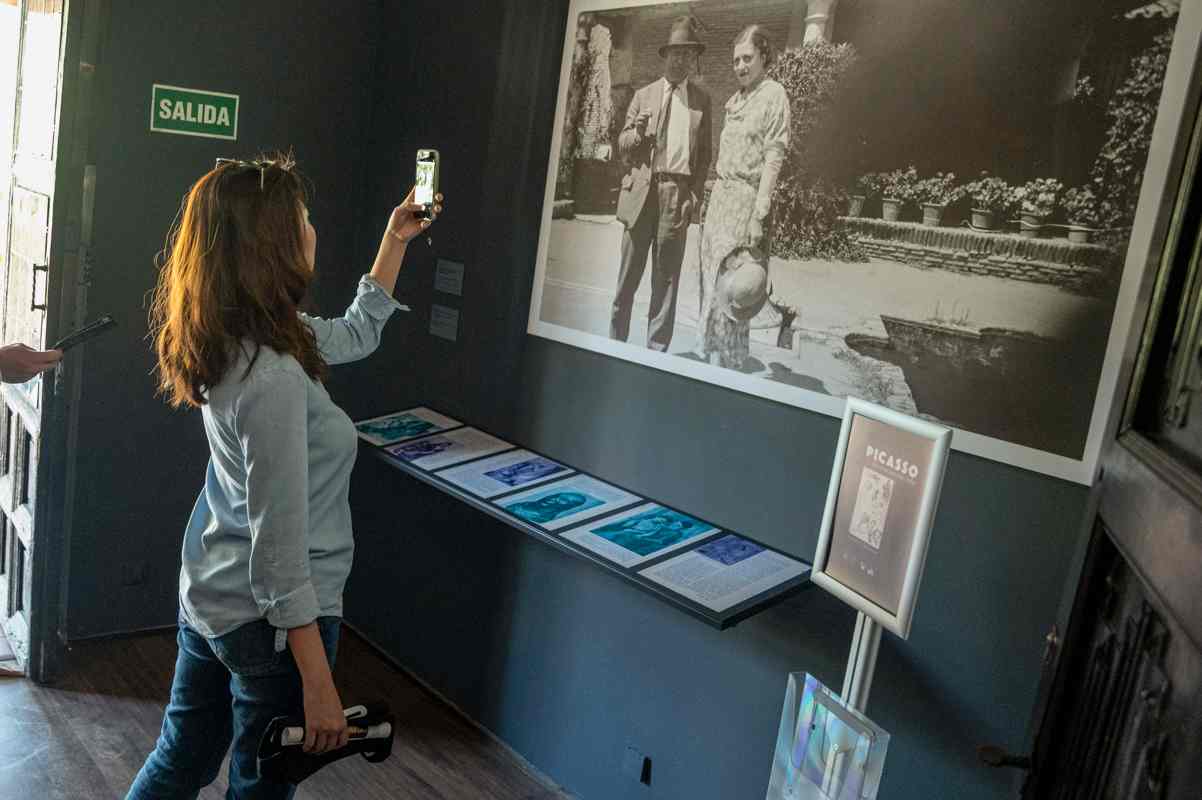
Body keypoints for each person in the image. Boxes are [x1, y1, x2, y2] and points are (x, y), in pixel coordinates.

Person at [126, 153, 442, 799]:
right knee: (259, 788)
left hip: (213, 595)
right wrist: (320, 683)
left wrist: (393, 240)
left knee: (179, 763)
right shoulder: (270, 375)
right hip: (269, 625)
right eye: (303, 217)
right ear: (271, 243)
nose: (312, 228)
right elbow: (279, 556)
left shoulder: (246, 334)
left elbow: (356, 333)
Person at [611, 15, 712, 352]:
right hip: (642, 190)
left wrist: (694, 195)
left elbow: (705, 154)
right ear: (665, 55)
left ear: (692, 59)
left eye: (687, 54)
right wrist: (637, 132)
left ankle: (655, 354)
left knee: (665, 282)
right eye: (674, 52)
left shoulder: (701, 101)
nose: (679, 59)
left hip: (677, 195)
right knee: (627, 279)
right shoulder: (643, 95)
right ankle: (615, 346)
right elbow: (622, 143)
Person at [698, 24, 791, 369]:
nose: (740, 66)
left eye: (747, 58)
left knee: (736, 287)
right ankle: (712, 363)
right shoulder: (733, 101)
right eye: (736, 60)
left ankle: (730, 367)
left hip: (745, 205)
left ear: (764, 56)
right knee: (712, 285)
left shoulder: (773, 95)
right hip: (720, 202)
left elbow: (774, 158)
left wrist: (759, 214)